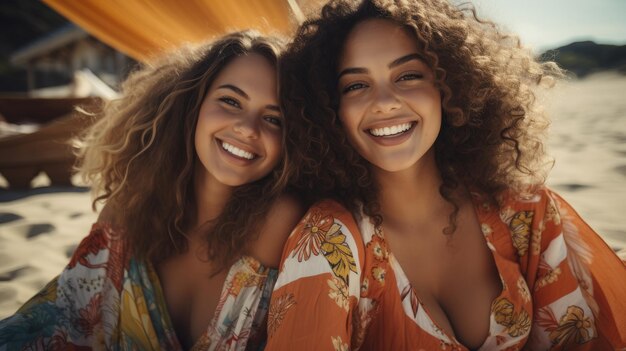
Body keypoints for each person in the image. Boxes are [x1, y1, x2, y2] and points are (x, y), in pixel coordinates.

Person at [265, 1, 626, 350]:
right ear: (331, 109)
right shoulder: (328, 240)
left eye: (408, 75)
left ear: (448, 85)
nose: (385, 101)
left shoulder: (523, 208)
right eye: (356, 85)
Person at [0, 31, 303, 350]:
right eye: (230, 101)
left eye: (274, 118)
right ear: (192, 105)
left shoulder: (278, 222)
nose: (247, 128)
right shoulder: (129, 209)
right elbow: (57, 317)